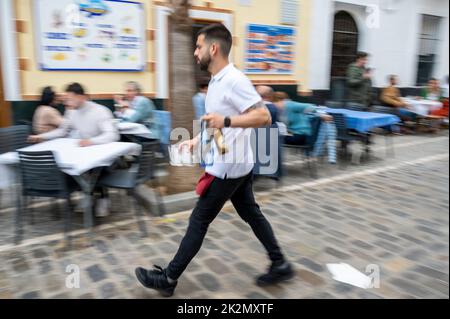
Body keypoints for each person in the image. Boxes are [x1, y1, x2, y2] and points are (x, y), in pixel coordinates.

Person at [135, 23, 293, 297]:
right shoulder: (217, 82)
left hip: (228, 167)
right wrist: (197, 140)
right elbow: (216, 125)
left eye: (198, 46)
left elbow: (263, 116)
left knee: (198, 221)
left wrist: (226, 120)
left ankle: (169, 278)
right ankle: (280, 262)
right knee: (251, 214)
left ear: (213, 48)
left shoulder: (234, 79)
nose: (195, 52)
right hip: (237, 164)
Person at [28, 83, 120, 217]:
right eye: (66, 98)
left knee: (96, 169)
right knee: (75, 166)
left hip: (101, 149)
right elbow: (62, 131)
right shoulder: (71, 112)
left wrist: (92, 141)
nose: (67, 102)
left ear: (82, 97)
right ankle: (87, 196)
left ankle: (103, 199)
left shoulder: (100, 111)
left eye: (70, 98)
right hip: (84, 149)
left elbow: (112, 134)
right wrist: (40, 137)